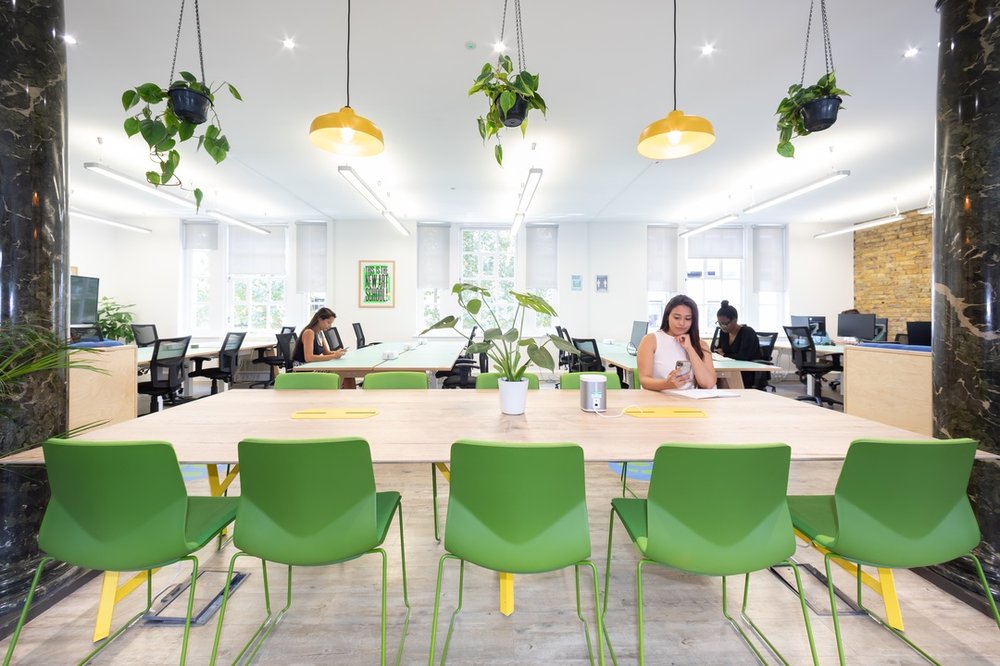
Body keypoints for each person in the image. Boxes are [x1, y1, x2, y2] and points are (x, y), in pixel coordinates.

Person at [638, 294, 716, 391]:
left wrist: (690, 349)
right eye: (676, 317)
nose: (682, 323)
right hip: (660, 398)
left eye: (688, 318)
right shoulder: (651, 340)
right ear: (667, 316)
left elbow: (708, 384)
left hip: (690, 398)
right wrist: (666, 384)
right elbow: (644, 380)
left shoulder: (701, 344)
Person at [716, 300, 763, 389]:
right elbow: (719, 350)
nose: (722, 327)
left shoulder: (747, 332)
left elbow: (743, 356)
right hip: (730, 368)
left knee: (723, 380)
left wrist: (725, 355)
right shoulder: (723, 332)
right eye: (720, 323)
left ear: (735, 320)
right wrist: (723, 354)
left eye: (725, 324)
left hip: (747, 371)